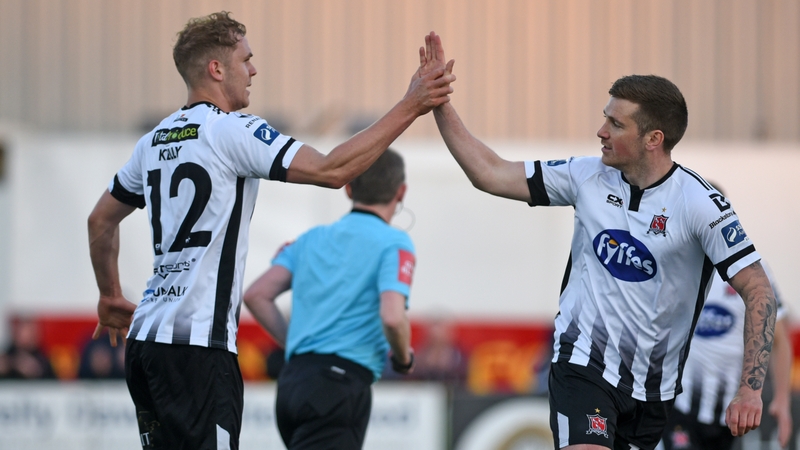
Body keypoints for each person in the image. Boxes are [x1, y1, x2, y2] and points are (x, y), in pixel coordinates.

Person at [86, 11, 454, 449]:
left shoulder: (153, 141)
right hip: (198, 349)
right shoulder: (232, 130)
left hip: (146, 343)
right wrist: (412, 104)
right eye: (246, 59)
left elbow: (100, 220)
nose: (254, 70)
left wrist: (109, 295)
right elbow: (332, 169)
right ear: (216, 69)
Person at [423, 33, 778, 449]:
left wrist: (750, 389)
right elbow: (489, 172)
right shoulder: (585, 176)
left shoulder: (699, 203)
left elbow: (760, 291)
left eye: (616, 123)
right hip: (582, 367)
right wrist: (440, 105)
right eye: (605, 117)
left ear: (654, 139)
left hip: (653, 392)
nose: (600, 131)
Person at [243, 148, 416, 449]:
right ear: (401, 192)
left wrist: (297, 343)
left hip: (292, 383)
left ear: (348, 187)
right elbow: (392, 316)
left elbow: (257, 295)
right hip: (338, 386)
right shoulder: (395, 243)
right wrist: (404, 359)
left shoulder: (310, 238)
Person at [661, 265, 792, 450]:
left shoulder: (755, 271)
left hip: (730, 414)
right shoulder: (682, 261)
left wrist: (782, 401)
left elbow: (779, 340)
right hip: (680, 405)